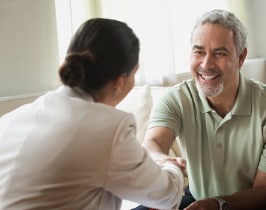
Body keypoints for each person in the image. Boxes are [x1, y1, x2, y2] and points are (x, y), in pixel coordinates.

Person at [0, 18, 185, 209]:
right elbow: (166, 196)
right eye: (134, 74)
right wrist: (170, 166)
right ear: (120, 81)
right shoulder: (110, 129)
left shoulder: (11, 119)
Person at [135, 9, 266, 210]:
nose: (206, 64)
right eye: (199, 51)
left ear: (241, 57)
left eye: (219, 53)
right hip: (197, 200)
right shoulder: (176, 98)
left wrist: (219, 204)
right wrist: (160, 159)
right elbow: (153, 142)